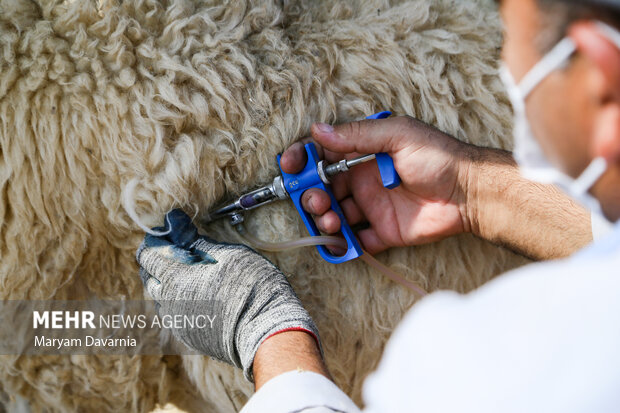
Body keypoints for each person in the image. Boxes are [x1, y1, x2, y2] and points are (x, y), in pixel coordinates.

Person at [135, 0, 620, 411]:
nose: (508, 70)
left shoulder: (497, 364)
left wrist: (266, 330)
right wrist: (468, 189)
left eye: (509, 45)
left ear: (600, 74)